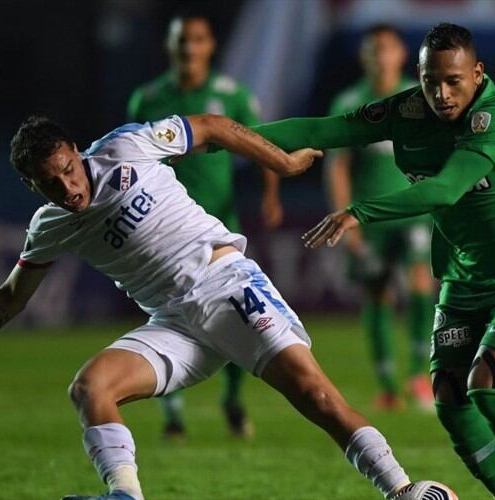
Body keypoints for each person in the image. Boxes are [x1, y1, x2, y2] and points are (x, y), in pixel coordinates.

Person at [0, 113, 456, 500]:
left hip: (225, 283)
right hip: (175, 325)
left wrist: (280, 163)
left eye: (70, 172)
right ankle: (125, 495)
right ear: (34, 187)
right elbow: (11, 296)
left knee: (316, 396)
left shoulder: (127, 147)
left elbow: (213, 127)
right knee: (90, 387)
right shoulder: (50, 227)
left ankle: (407, 491)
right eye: (51, 184)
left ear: (78, 153)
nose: (70, 189)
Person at [251, 22, 495, 500]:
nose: (441, 92)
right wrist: (225, 137)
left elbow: (444, 188)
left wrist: (359, 211)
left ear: (477, 74)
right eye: (430, 80)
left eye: (453, 81)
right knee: (450, 398)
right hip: (463, 278)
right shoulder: (405, 110)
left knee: (487, 383)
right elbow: (321, 130)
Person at [126, 13, 278, 440]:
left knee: (235, 316)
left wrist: (270, 195)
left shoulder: (232, 95)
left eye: (196, 40)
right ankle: (172, 414)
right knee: (164, 317)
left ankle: (232, 400)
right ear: (170, 47)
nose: (189, 48)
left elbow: (260, 141)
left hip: (218, 229)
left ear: (210, 46)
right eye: (181, 41)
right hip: (161, 232)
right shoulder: (147, 98)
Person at [325, 24, 436, 412]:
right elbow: (337, 164)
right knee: (378, 293)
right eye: (373, 49)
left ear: (401, 54)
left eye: (387, 48)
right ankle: (388, 385)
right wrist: (344, 212)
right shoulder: (350, 102)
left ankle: (419, 376)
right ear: (364, 57)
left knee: (422, 282)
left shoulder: (419, 98)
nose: (380, 56)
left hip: (413, 211)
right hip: (368, 217)